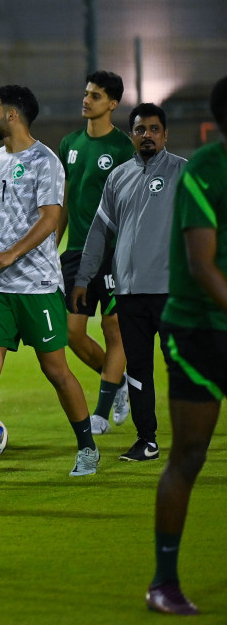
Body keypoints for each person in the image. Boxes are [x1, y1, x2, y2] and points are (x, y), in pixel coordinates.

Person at [0, 85, 99, 482]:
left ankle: (87, 448)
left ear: (12, 115)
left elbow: (51, 218)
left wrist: (12, 255)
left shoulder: (45, 161)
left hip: (36, 285)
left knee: (56, 370)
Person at [145, 77, 227, 615]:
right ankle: (164, 582)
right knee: (190, 455)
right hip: (198, 332)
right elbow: (202, 266)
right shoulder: (205, 170)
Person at [73, 103, 185, 463]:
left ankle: (189, 439)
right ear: (132, 135)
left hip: (171, 292)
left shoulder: (184, 172)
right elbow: (98, 233)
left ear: (165, 135)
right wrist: (82, 278)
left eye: (154, 129)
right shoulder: (118, 176)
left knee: (184, 368)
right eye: (140, 130)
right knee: (137, 369)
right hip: (130, 294)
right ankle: (146, 440)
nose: (147, 135)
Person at [57, 71, 135, 434]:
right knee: (72, 333)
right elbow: (64, 203)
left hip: (115, 253)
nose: (87, 100)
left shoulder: (123, 148)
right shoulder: (69, 143)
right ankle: (118, 380)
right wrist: (50, 246)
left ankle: (102, 409)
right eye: (87, 93)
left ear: (113, 104)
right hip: (77, 252)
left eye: (97, 96)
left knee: (113, 326)